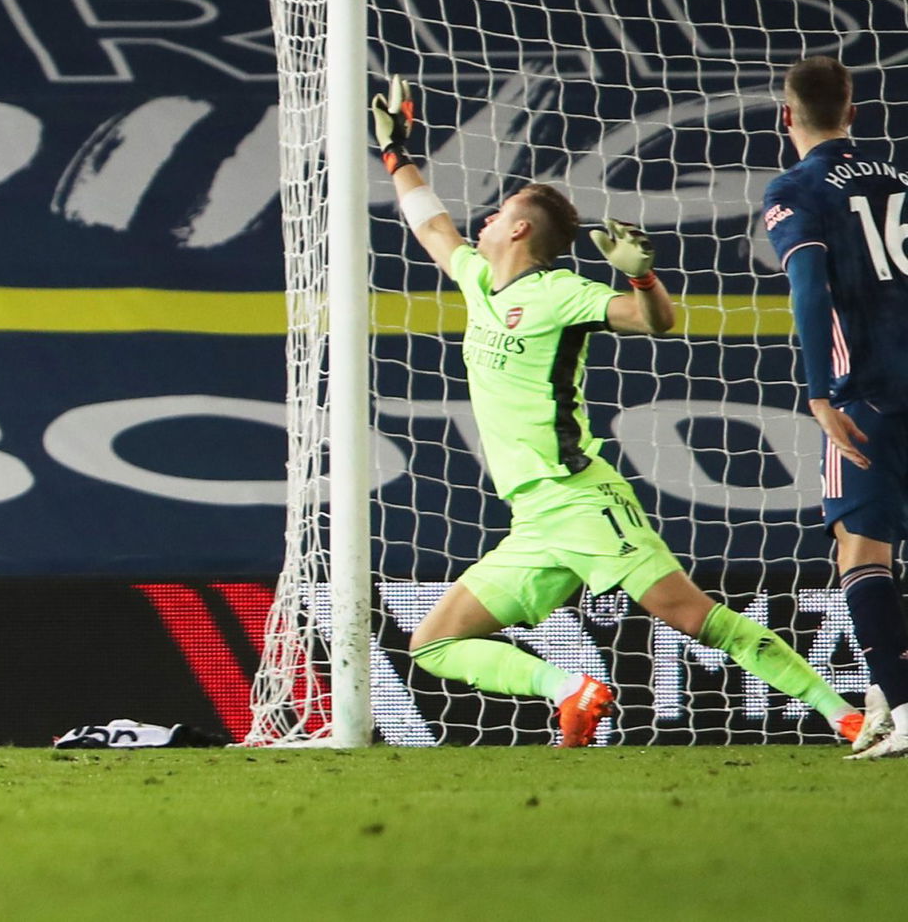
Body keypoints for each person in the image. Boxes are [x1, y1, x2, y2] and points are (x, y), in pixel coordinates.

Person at [374, 75, 861, 746]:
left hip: (582, 502)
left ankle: (846, 714)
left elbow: (654, 322)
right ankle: (571, 688)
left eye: (496, 212)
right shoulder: (479, 279)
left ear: (518, 229)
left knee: (696, 617)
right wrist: (396, 156)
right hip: (536, 520)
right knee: (434, 644)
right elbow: (431, 226)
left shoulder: (561, 293)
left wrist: (642, 275)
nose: (481, 220)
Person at [762, 55, 908, 759]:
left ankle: (904, 709)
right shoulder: (900, 182)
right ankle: (884, 702)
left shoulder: (797, 189)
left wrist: (819, 392)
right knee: (871, 545)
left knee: (860, 549)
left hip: (868, 393)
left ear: (786, 115)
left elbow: (810, 291)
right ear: (852, 113)